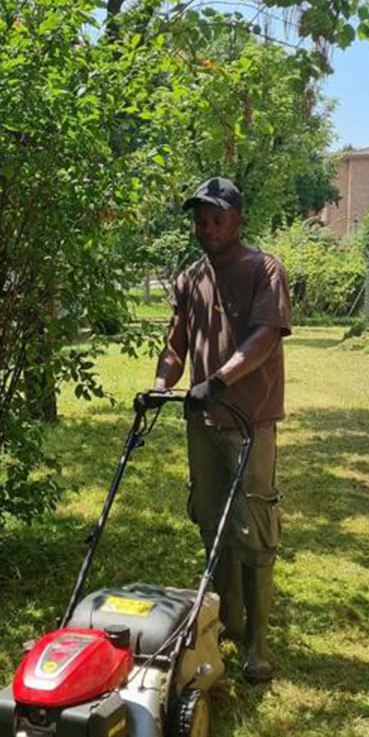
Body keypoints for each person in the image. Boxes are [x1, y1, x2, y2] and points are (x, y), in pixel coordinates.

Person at [153, 178, 291, 683]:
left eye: (217, 218)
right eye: (200, 219)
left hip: (248, 421)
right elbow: (175, 343)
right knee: (212, 521)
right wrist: (160, 384)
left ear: (238, 220)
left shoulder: (263, 269)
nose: (207, 228)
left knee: (253, 529)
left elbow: (264, 339)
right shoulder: (191, 278)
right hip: (203, 420)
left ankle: (258, 643)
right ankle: (227, 623)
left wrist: (219, 381)